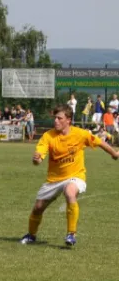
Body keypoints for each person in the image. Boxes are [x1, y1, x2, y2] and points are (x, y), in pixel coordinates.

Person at [20, 104, 119, 247]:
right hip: (54, 179)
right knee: (38, 208)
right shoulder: (48, 136)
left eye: (59, 118)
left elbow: (99, 142)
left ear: (68, 120)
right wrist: (36, 160)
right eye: (55, 118)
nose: (55, 121)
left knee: (70, 191)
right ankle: (31, 235)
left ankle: (71, 234)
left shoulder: (80, 134)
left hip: (76, 175)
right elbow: (39, 158)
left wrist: (114, 154)